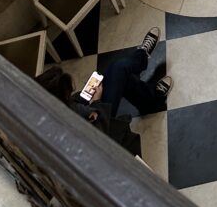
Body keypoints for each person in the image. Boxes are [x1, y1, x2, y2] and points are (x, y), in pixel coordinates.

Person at [36, 28, 171, 157]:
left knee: (119, 72)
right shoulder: (57, 137)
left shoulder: (41, 106)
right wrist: (96, 102)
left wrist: (84, 96)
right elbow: (96, 140)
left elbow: (72, 106)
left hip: (90, 116)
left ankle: (144, 69)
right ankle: (142, 59)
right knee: (120, 71)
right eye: (67, 95)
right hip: (101, 134)